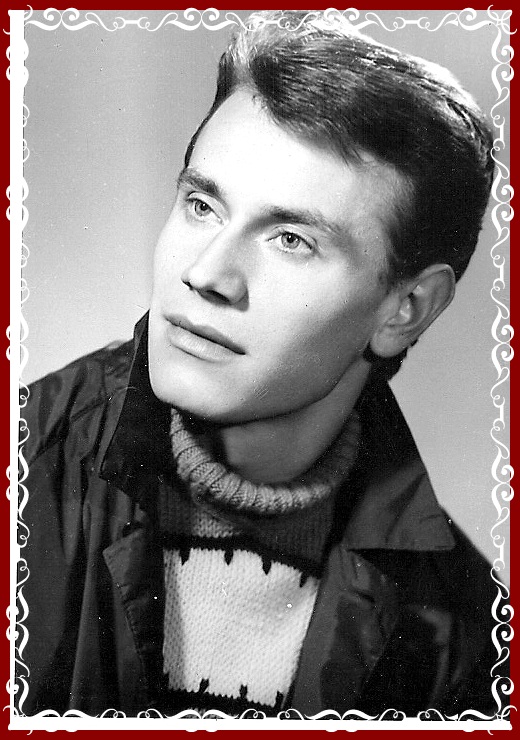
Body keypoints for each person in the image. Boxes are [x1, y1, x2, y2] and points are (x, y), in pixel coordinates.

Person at [19, 10, 503, 719]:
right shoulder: (24, 468)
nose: (207, 274)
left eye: (291, 240)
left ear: (405, 309)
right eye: (202, 205)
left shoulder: (468, 637)